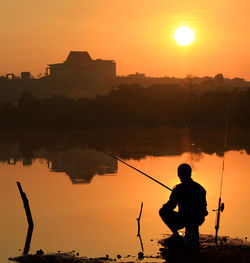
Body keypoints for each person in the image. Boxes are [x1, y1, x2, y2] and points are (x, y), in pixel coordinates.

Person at [159, 163, 208, 243]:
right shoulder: (200, 188)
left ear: (179, 175)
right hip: (198, 219)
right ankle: (189, 233)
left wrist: (164, 206)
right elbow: (204, 211)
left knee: (162, 211)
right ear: (190, 173)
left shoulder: (178, 189)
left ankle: (176, 235)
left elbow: (171, 206)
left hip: (185, 219)